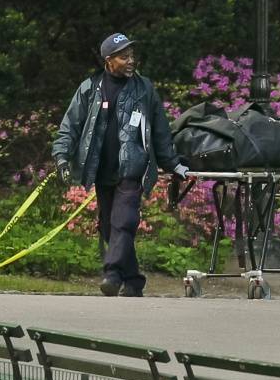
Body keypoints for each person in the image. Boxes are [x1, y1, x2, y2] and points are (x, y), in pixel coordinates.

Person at [53, 32, 189, 298]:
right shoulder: (89, 88)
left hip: (133, 168)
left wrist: (173, 164)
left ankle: (112, 274)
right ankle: (134, 281)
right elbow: (69, 128)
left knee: (123, 221)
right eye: (124, 57)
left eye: (132, 56)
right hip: (101, 170)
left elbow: (160, 131)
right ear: (108, 60)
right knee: (107, 226)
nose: (130, 61)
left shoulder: (145, 89)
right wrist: (61, 157)